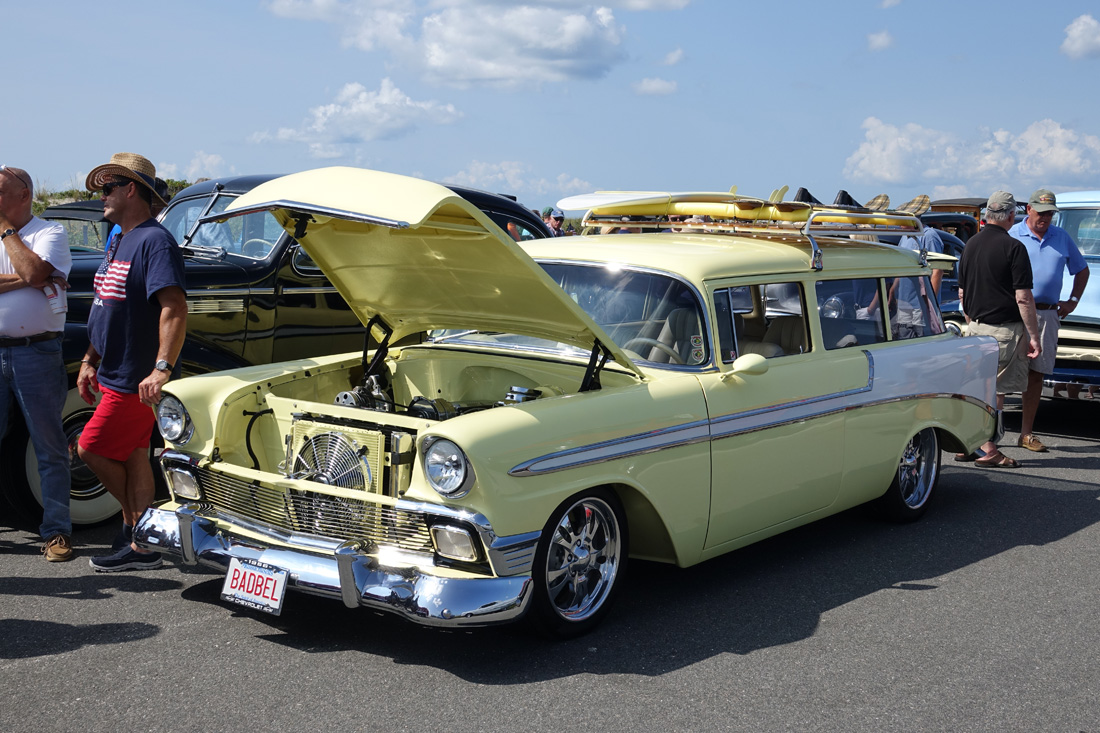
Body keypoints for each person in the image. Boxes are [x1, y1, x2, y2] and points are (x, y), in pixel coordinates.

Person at [77, 153, 187, 572]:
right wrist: (90, 357)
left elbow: (174, 306)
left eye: (107, 188)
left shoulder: (154, 241)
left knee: (91, 448)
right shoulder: (119, 238)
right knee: (135, 455)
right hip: (113, 369)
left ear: (130, 190)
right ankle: (143, 546)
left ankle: (139, 529)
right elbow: (106, 304)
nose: (101, 197)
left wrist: (162, 368)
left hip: (133, 377)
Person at [0, 165, 73, 561]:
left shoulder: (50, 233)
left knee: (49, 445)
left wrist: (8, 233)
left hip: (37, 350)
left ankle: (57, 532)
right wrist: (28, 278)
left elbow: (34, 269)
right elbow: (32, 275)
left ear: (23, 195)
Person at [957, 191, 1041, 468]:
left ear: (986, 215)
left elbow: (962, 292)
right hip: (1004, 330)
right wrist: (1034, 335)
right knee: (996, 392)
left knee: (977, 388)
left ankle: (970, 443)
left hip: (975, 327)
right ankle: (989, 447)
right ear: (1010, 216)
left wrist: (972, 320)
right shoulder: (1014, 248)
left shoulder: (970, 245)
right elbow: (1023, 297)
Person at [1008, 189, 1089, 452]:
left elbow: (1082, 270)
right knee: (1001, 375)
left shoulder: (1061, 237)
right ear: (1028, 210)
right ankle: (989, 438)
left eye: (1050, 213)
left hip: (1046, 313)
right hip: (1012, 313)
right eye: (1041, 212)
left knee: (1036, 375)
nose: (1045, 217)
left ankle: (1026, 434)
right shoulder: (1011, 235)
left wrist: (1073, 301)